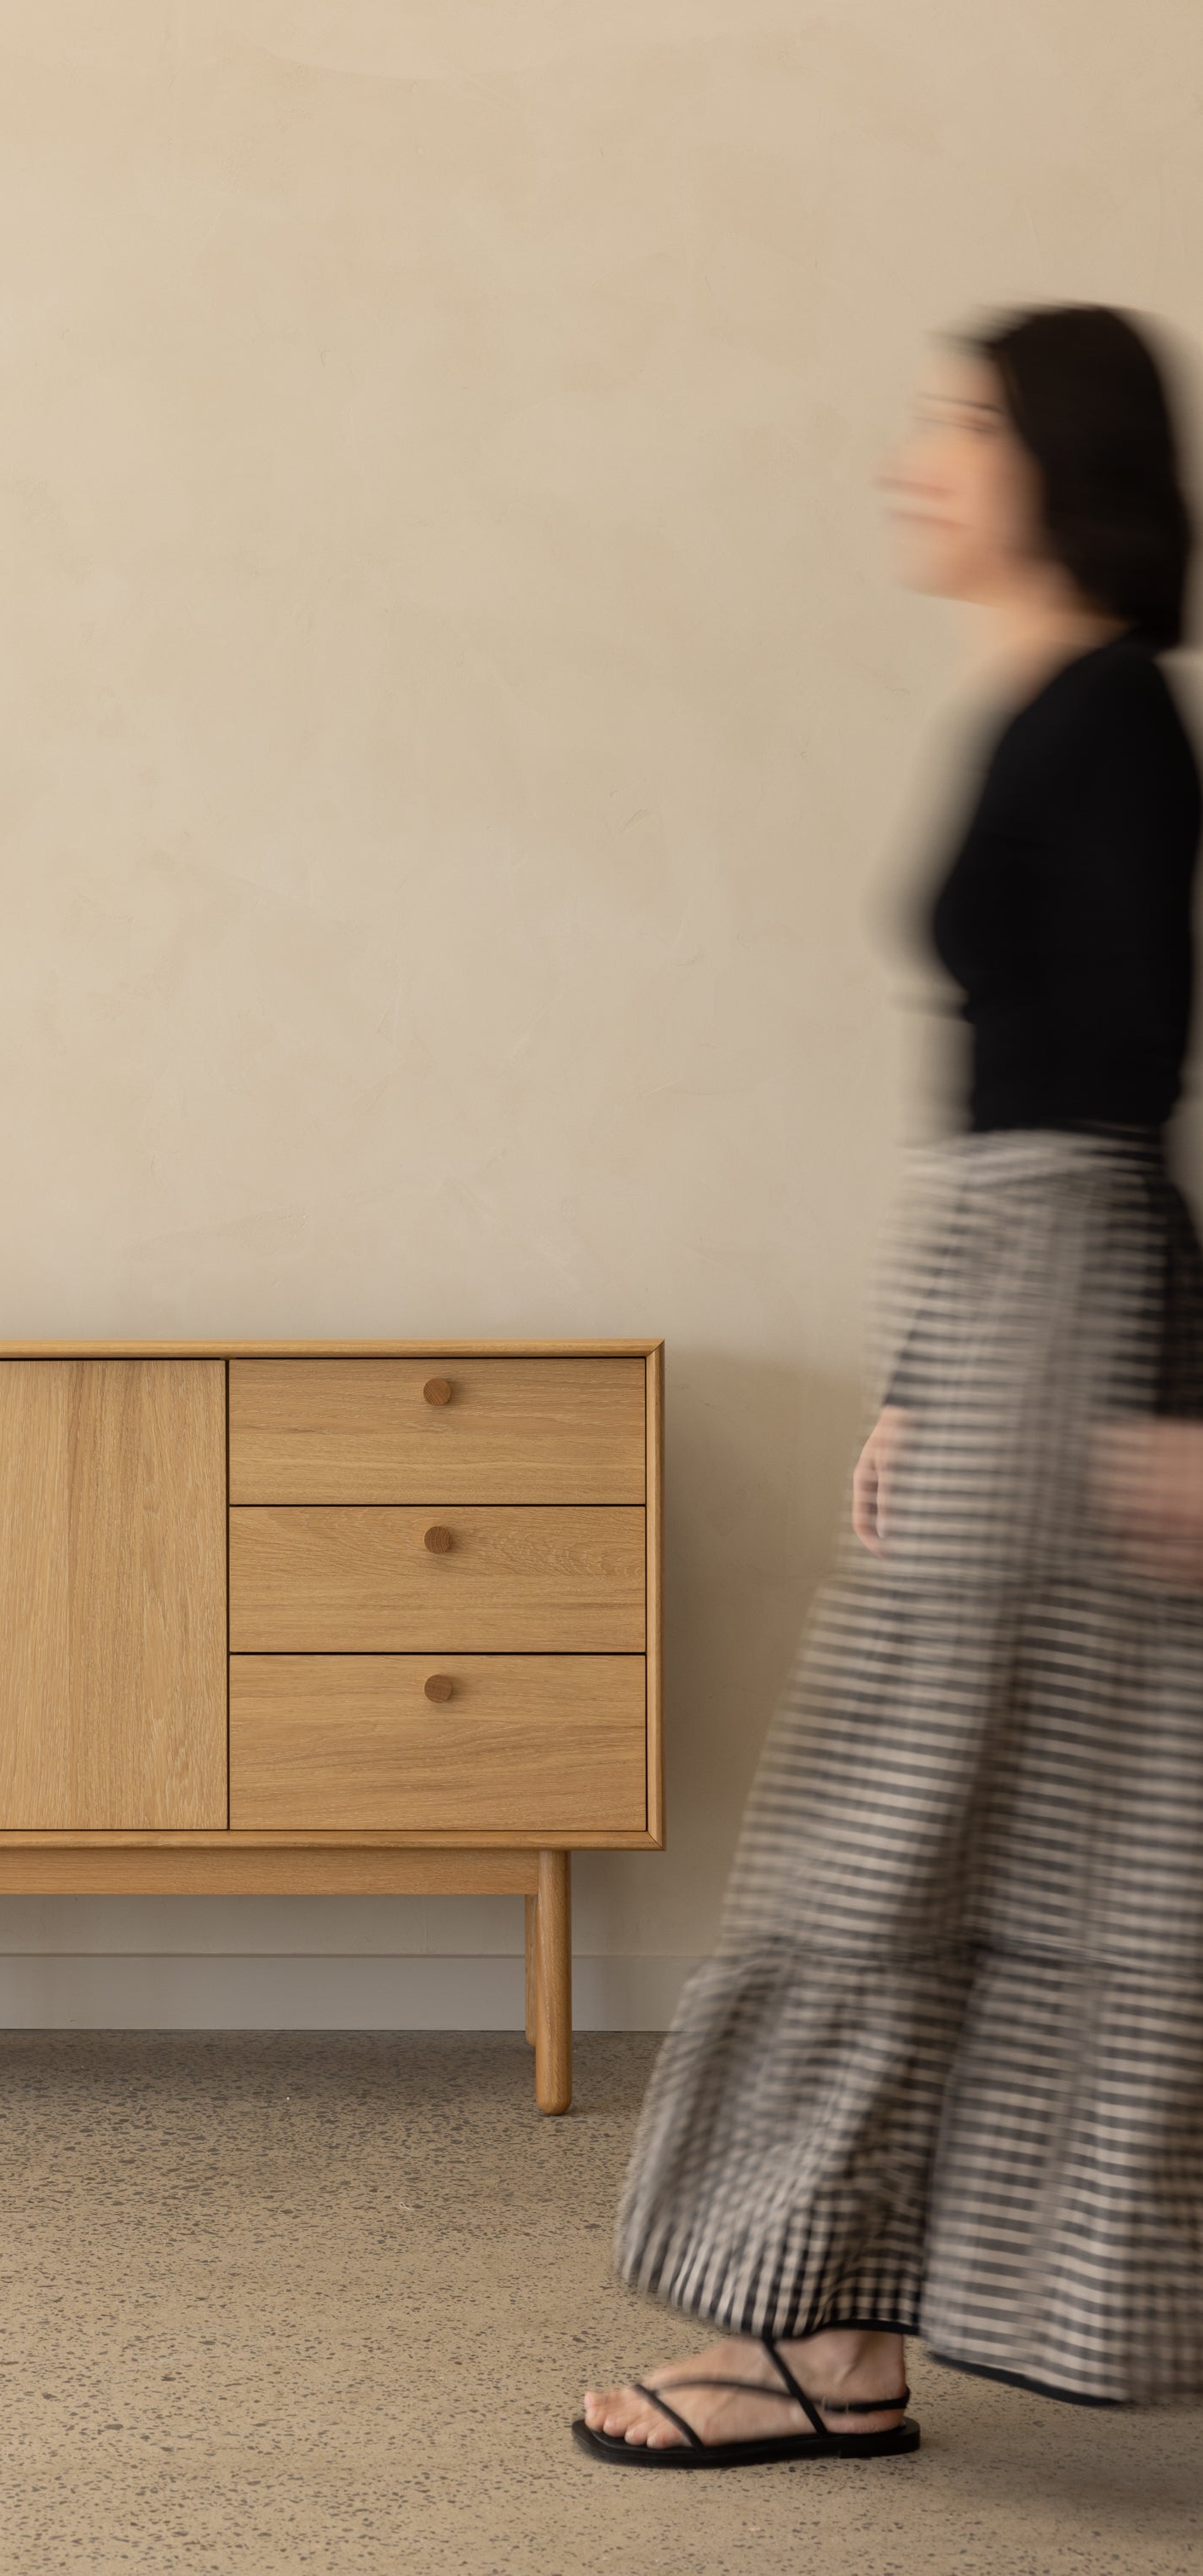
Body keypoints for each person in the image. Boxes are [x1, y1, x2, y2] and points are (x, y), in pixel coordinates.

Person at [579, 304, 1203, 2468]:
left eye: (959, 424)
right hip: (1006, 1295)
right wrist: (927, 1377)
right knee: (960, 1810)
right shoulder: (1043, 702)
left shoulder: (1113, 716)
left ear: (1063, 463)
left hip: (1074, 1303)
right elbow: (1013, 1081)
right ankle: (830, 2339)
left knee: (918, 1813)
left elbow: (1139, 1092)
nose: (913, 459)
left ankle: (811, 2342)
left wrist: (1172, 1399)